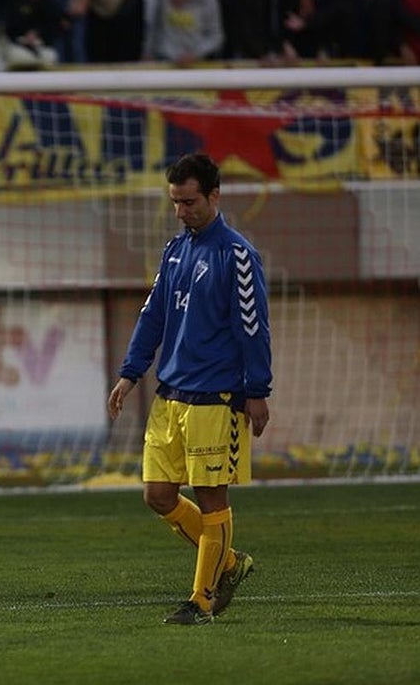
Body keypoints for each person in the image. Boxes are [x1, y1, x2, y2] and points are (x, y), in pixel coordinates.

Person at [107, 153, 271, 626]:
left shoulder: (237, 254)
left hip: (216, 399)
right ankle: (230, 561)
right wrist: (130, 372)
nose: (181, 211)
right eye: (175, 202)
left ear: (215, 196)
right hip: (169, 394)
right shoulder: (174, 251)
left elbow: (253, 327)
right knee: (157, 495)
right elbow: (152, 315)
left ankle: (202, 601)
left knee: (211, 496)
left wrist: (257, 390)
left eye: (190, 202)